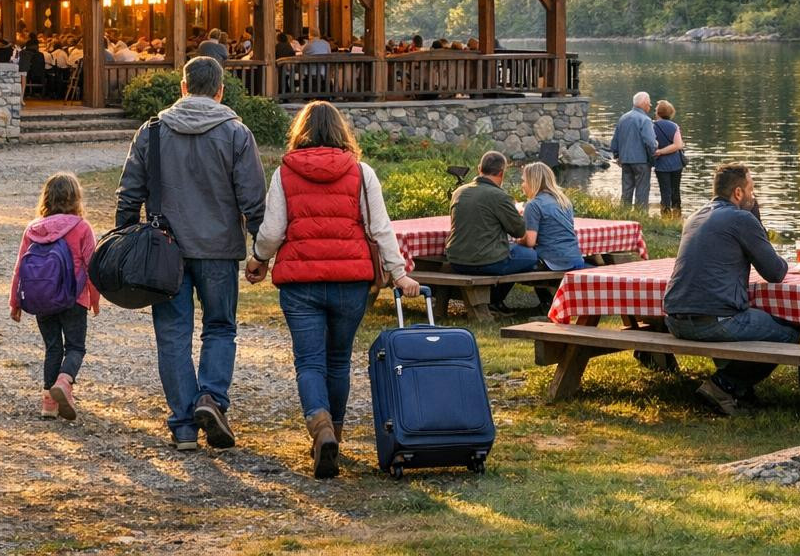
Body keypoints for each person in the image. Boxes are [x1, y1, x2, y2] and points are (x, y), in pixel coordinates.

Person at [245, 102, 421, 477]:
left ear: (300, 132)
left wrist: (259, 258)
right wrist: (400, 273)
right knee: (338, 360)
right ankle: (334, 436)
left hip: (300, 283)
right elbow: (380, 228)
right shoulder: (360, 172)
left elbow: (274, 230)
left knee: (309, 362)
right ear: (341, 131)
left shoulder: (285, 172)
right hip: (350, 282)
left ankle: (320, 428)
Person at [116, 57, 266, 451]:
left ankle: (184, 425)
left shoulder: (152, 131)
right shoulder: (236, 133)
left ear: (182, 87)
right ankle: (211, 399)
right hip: (218, 250)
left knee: (172, 336)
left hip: (165, 253)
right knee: (219, 327)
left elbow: (129, 192)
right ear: (220, 90)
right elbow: (253, 199)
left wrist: (122, 243)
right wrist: (261, 251)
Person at [663, 162, 797, 416]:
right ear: (738, 193)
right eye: (752, 190)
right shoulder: (741, 218)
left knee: (746, 317)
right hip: (713, 321)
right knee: (789, 332)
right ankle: (723, 386)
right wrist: (756, 220)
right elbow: (775, 272)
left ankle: (741, 390)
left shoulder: (695, 216)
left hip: (675, 320)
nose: (753, 196)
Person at [10, 173, 100, 421]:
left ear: (46, 198)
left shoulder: (33, 228)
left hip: (43, 299)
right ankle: (64, 381)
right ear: (76, 199)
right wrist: (94, 298)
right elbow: (92, 266)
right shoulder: (82, 227)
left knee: (52, 348)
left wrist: (15, 302)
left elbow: (20, 267)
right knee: (75, 347)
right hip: (73, 299)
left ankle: (49, 403)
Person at [446, 151, 536, 313]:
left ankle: (494, 301)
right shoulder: (499, 196)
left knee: (507, 252)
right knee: (531, 256)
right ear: (502, 173)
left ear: (479, 168)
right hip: (487, 262)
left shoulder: (459, 192)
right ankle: (495, 299)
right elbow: (518, 231)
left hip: (456, 260)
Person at [519, 161, 584, 308]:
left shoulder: (533, 205)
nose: (522, 185)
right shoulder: (563, 201)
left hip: (554, 261)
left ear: (532, 181)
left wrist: (518, 241)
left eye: (523, 181)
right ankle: (547, 302)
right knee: (537, 254)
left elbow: (530, 241)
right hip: (575, 257)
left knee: (518, 258)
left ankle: (496, 301)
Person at [610, 91, 658, 208]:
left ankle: (623, 216)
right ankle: (640, 218)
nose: (650, 106)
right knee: (642, 192)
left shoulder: (623, 118)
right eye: (649, 103)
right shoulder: (645, 120)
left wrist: (617, 156)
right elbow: (650, 142)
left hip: (625, 161)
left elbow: (615, 141)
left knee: (626, 191)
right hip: (641, 161)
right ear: (644, 103)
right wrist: (654, 156)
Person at [652, 99, 686, 213]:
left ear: (658, 113)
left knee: (665, 192)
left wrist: (660, 151)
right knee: (676, 190)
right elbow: (678, 145)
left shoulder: (652, 126)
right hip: (677, 164)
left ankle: (665, 216)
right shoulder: (674, 126)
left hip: (661, 165)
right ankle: (677, 214)